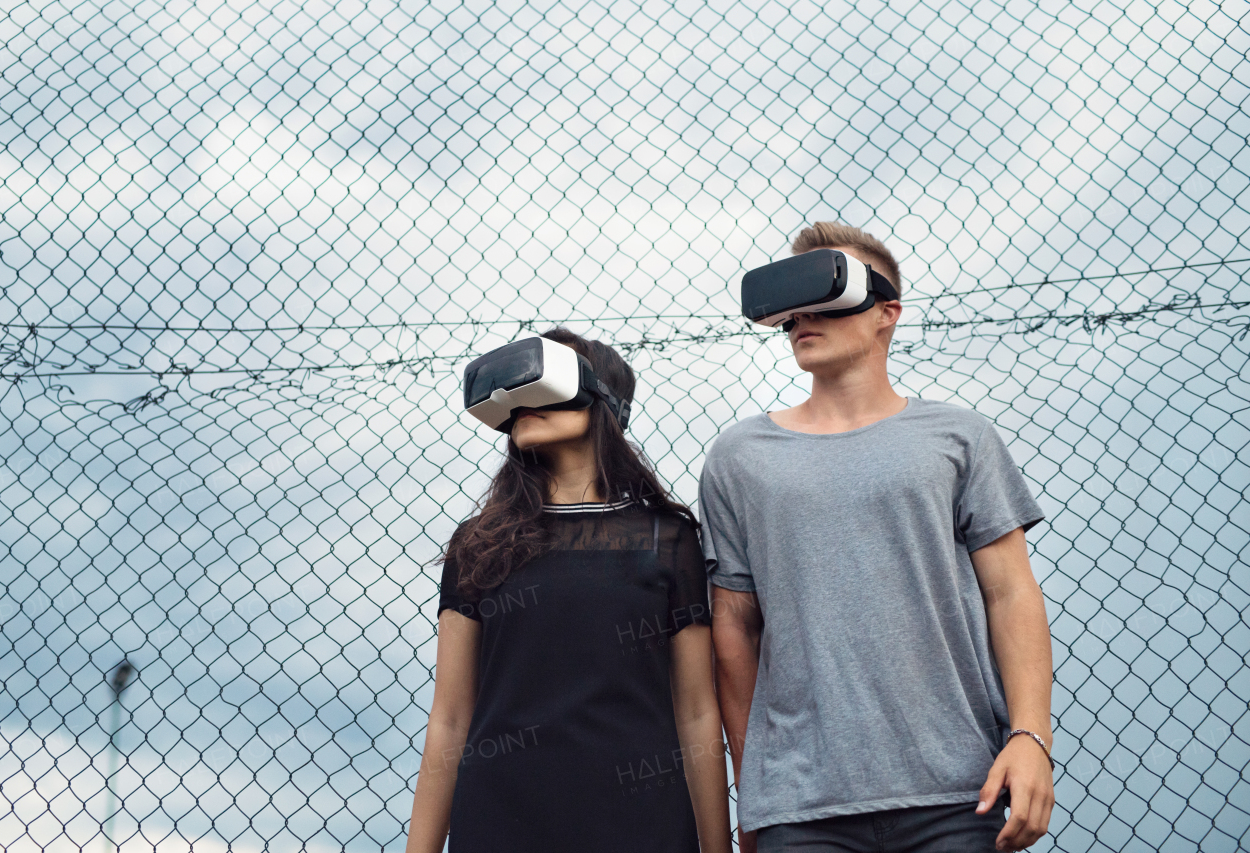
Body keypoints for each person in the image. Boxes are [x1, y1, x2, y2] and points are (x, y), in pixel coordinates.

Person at [700, 222, 1055, 853]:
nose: (803, 319)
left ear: (886, 313)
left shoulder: (960, 437)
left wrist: (1031, 738)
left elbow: (1011, 594)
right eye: (792, 308)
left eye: (826, 298)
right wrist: (754, 789)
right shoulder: (739, 456)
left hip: (958, 789)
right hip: (799, 804)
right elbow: (733, 625)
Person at [406, 327, 733, 853]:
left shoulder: (666, 538)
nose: (522, 402)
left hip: (642, 825)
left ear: (603, 398)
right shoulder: (478, 544)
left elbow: (696, 710)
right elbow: (449, 717)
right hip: (500, 821)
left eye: (543, 382)